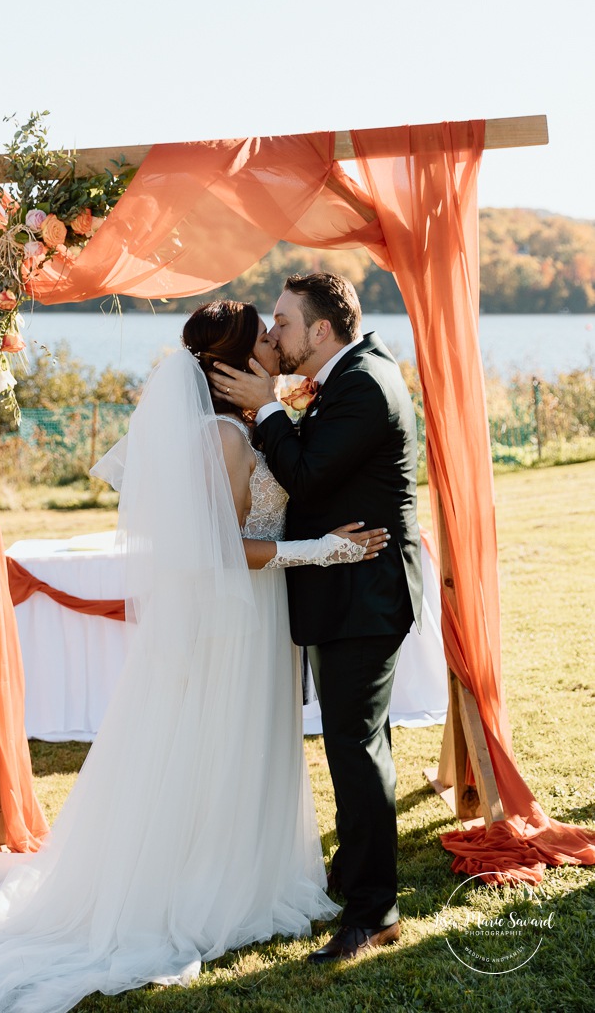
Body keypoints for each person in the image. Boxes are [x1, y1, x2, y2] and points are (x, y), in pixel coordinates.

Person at [0, 300, 389, 1012]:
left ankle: (247, 870)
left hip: (259, 614)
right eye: (263, 335)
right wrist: (319, 551)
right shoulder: (224, 437)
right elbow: (216, 550)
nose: (274, 341)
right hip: (235, 619)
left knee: (242, 744)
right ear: (234, 364)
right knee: (219, 745)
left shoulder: (248, 426)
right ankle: (209, 885)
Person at [210, 274, 423, 962]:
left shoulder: (363, 384)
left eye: (282, 321)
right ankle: (354, 875)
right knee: (356, 745)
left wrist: (267, 409)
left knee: (354, 750)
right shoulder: (347, 378)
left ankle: (374, 912)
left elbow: (305, 475)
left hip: (364, 593)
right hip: (346, 591)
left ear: (321, 330)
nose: (273, 333)